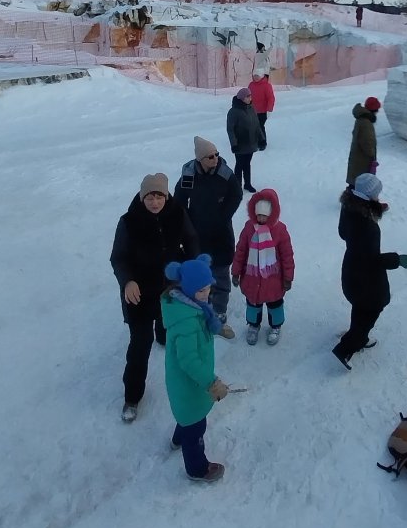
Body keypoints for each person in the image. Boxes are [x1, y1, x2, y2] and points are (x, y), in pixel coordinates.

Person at [110, 172, 199, 423]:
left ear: (166, 195)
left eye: (159, 196)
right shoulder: (128, 222)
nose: (155, 202)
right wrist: (127, 281)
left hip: (168, 287)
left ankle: (162, 333)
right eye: (150, 196)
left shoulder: (177, 213)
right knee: (140, 344)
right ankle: (132, 396)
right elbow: (118, 257)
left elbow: (191, 240)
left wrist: (193, 270)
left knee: (166, 326)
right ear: (142, 196)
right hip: (138, 292)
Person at [332, 173, 407, 369]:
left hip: (352, 270)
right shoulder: (366, 225)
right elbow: (372, 260)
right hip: (366, 280)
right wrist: (398, 260)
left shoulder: (349, 208)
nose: (378, 197)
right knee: (371, 311)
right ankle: (347, 347)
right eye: (376, 194)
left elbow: (343, 233)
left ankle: (359, 335)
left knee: (360, 306)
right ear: (368, 195)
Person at [161, 255, 229, 483]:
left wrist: (218, 329)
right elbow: (188, 360)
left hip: (189, 383)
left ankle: (178, 438)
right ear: (187, 289)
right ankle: (197, 468)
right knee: (196, 426)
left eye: (208, 288)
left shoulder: (191, 306)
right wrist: (211, 382)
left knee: (186, 416)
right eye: (200, 291)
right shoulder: (185, 320)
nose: (206, 294)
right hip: (189, 382)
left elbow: (202, 328)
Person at [173, 136, 242, 339]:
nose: (216, 159)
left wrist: (224, 215)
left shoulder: (225, 173)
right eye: (211, 156)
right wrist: (187, 223)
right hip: (197, 234)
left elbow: (236, 194)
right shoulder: (189, 175)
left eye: (217, 154)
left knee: (220, 272)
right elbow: (179, 200)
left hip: (221, 233)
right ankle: (201, 306)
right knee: (200, 271)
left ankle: (219, 310)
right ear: (200, 159)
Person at [232, 188, 295, 346]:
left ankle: (275, 326)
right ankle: (253, 325)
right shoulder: (249, 228)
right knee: (253, 305)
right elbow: (241, 251)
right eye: (258, 215)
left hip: (273, 279)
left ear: (272, 214)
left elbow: (287, 256)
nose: (260, 219)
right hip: (252, 278)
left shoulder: (280, 230)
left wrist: (288, 277)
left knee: (275, 305)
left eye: (264, 216)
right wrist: (236, 272)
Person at [227, 87, 265, 192]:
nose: (250, 98)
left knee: (247, 164)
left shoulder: (251, 108)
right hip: (240, 143)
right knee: (239, 165)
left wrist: (261, 139)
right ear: (242, 98)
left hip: (251, 142)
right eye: (248, 96)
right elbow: (230, 129)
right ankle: (237, 186)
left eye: (250, 96)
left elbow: (257, 125)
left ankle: (247, 184)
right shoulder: (233, 111)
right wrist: (234, 144)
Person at [346, 96, 380, 184]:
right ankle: (351, 196)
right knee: (360, 182)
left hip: (358, 157)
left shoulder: (362, 119)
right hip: (362, 160)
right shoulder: (366, 123)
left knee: (356, 180)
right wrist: (372, 155)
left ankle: (351, 195)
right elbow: (367, 143)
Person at [249, 73, 276, 147]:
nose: (255, 78)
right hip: (252, 110)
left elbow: (271, 98)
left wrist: (269, 110)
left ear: (261, 76)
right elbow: (248, 96)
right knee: (253, 126)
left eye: (257, 76)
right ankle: (255, 141)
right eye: (254, 76)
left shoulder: (267, 85)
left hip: (263, 111)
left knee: (260, 126)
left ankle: (262, 143)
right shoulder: (251, 85)